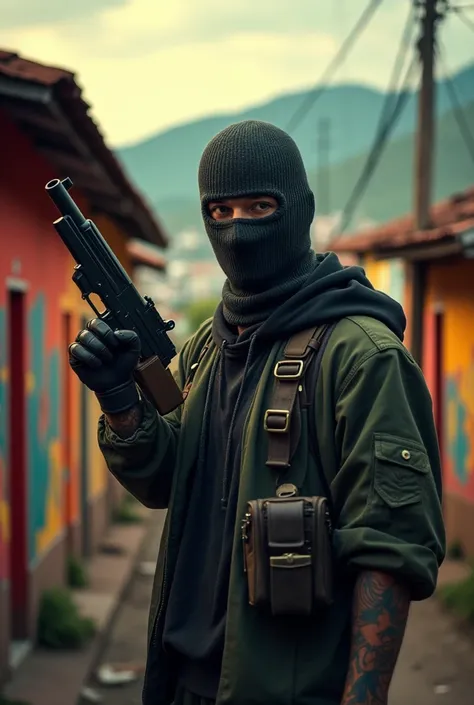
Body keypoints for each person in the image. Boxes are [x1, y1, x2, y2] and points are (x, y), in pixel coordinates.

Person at [69, 120, 445, 705]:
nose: (238, 229)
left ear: (300, 209)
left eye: (259, 205)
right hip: (181, 682)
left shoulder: (362, 356)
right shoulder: (208, 346)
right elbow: (166, 479)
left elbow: (390, 551)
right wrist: (119, 401)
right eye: (220, 212)